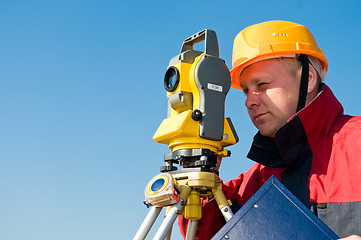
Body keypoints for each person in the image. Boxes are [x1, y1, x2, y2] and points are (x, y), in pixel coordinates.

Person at [178, 20, 361, 239]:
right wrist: (202, 182)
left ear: (308, 78)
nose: (248, 102)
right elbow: (208, 233)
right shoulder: (257, 180)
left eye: (262, 85)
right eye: (246, 90)